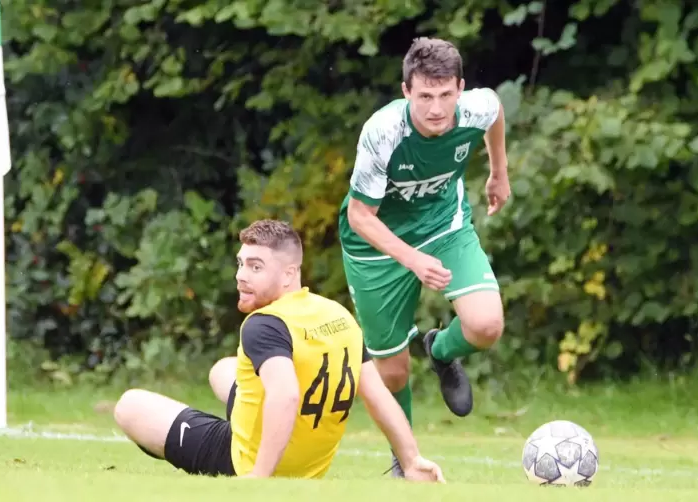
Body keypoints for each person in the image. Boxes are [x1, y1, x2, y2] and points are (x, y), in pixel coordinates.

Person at [113, 219, 445, 482]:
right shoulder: (338, 314)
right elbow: (377, 395)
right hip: (309, 465)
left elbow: (285, 395)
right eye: (241, 264)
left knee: (129, 405)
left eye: (255, 267)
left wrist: (259, 477)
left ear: (288, 274)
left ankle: (233, 450)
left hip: (248, 460)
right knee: (222, 370)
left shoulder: (265, 324)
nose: (241, 276)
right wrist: (411, 459)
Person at [337, 37, 511, 476]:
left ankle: (440, 349)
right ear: (406, 92)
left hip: (442, 225)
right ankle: (406, 461)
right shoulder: (384, 132)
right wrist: (412, 259)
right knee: (392, 373)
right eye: (425, 96)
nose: (437, 108)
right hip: (374, 245)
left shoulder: (477, 106)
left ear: (460, 88)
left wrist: (497, 173)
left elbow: (496, 115)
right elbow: (360, 216)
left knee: (487, 324)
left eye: (446, 95)